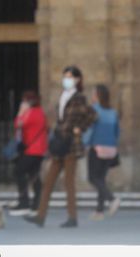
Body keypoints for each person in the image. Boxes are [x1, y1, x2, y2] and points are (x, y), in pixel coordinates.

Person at [26, 66, 97, 228]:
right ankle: (40, 216)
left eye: (70, 76)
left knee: (68, 182)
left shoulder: (79, 98)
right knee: (49, 181)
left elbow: (92, 115)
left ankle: (72, 217)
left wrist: (80, 128)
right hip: (59, 143)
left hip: (71, 144)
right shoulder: (64, 96)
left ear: (78, 79)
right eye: (65, 76)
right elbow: (60, 118)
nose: (67, 79)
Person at [85, 84, 121, 220]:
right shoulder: (113, 112)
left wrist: (84, 143)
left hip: (97, 148)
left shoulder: (94, 110)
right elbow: (117, 131)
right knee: (101, 179)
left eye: (93, 93)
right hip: (110, 149)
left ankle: (112, 199)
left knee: (93, 178)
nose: (92, 96)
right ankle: (99, 211)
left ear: (98, 95)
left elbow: (89, 129)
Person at [9, 90, 47, 215]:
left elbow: (18, 124)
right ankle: (37, 204)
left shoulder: (30, 113)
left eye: (24, 101)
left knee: (19, 171)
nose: (22, 103)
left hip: (32, 150)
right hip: (39, 150)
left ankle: (24, 202)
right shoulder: (40, 112)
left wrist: (21, 112)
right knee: (34, 175)